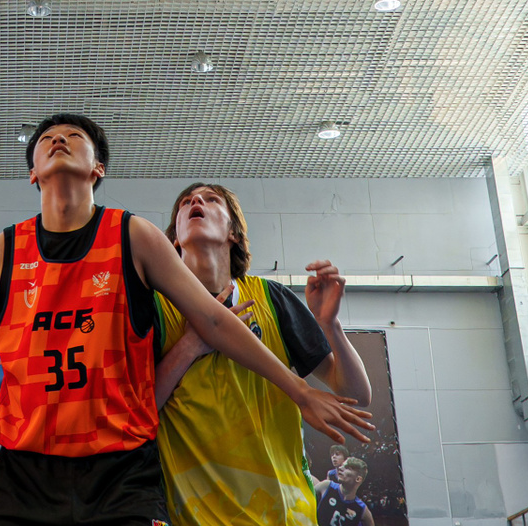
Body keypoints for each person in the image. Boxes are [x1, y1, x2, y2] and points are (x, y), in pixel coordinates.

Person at [0, 113, 374, 526]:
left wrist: (300, 390)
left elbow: (213, 320)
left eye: (74, 136)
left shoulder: (133, 235)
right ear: (32, 173)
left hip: (121, 473)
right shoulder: (1, 252)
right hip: (26, 471)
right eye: (47, 138)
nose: (58, 139)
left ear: (98, 168)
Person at [152, 182, 373, 526]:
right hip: (199, 516)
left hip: (287, 515)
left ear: (233, 233)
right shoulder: (154, 306)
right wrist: (192, 343)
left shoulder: (271, 298)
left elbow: (356, 394)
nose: (196, 201)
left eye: (212, 199)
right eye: (185, 203)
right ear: (175, 239)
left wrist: (331, 326)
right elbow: (139, 411)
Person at [314, 457, 375, 526]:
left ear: (358, 479)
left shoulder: (361, 509)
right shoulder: (326, 486)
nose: (340, 468)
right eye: (342, 465)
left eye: (348, 468)